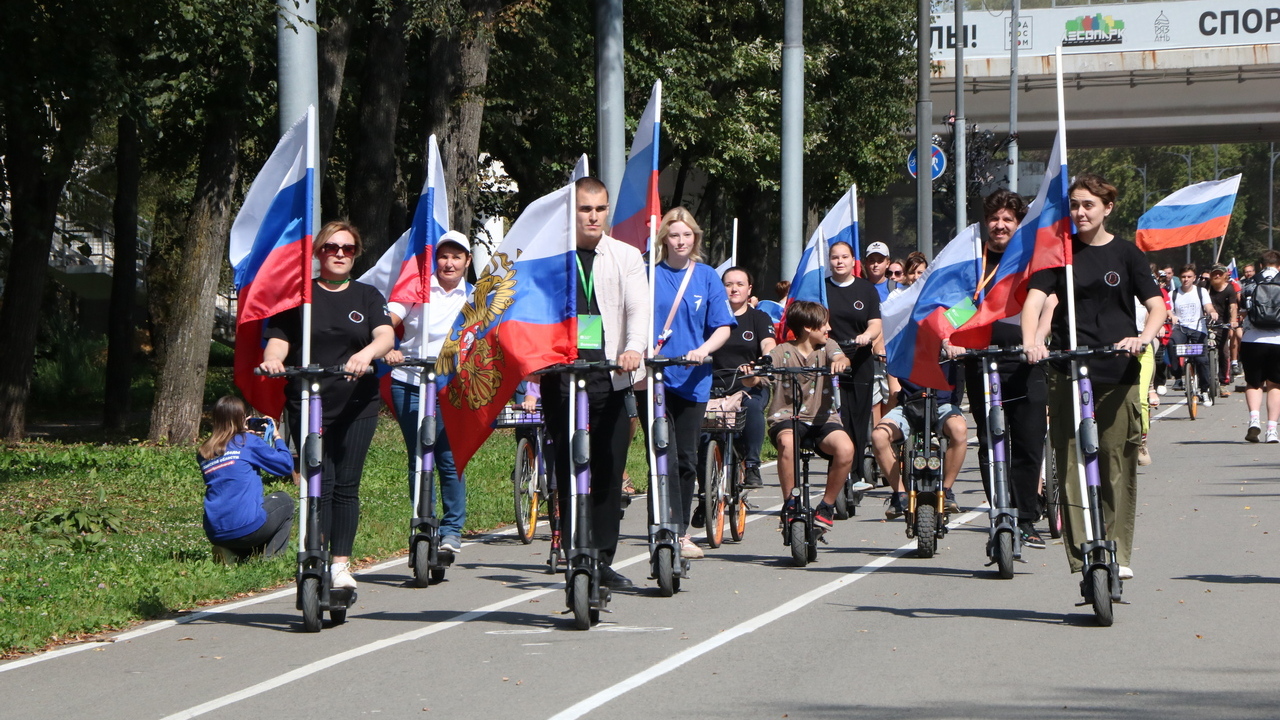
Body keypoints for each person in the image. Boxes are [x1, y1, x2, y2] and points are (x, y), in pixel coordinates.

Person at [1022, 173, 1166, 581]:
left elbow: (1156, 307)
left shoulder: (1127, 254)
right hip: (1068, 369)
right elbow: (1033, 303)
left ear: (1107, 208)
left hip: (1117, 369)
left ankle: (1117, 550)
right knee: (1069, 465)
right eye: (1075, 204)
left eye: (1089, 204)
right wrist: (1033, 341)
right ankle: (1084, 551)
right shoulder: (1058, 251)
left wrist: (1141, 338)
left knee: (1114, 462)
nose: (1080, 212)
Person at [260, 220, 395, 590]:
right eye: (331, 247)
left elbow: (385, 334)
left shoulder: (367, 295)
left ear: (355, 254)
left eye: (347, 249)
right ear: (318, 252)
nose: (339, 254)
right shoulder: (299, 294)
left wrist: (366, 354)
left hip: (356, 403)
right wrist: (274, 360)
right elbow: (279, 338)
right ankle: (314, 552)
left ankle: (340, 565)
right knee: (320, 483)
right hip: (308, 401)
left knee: (346, 486)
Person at [540, 177, 649, 590]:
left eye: (600, 209)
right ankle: (576, 553)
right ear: (573, 212)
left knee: (608, 470)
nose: (592, 216)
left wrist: (634, 348)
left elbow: (639, 307)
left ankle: (602, 558)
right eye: (585, 209)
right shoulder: (554, 257)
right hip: (563, 379)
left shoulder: (624, 256)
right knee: (570, 470)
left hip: (612, 376)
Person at [947, 189, 1049, 546]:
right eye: (994, 219)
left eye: (1008, 219)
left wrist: (1036, 340)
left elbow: (1049, 303)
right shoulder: (975, 259)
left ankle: (1025, 516)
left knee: (1028, 441)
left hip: (1026, 360)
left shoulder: (1030, 258)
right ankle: (1001, 513)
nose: (1000, 225)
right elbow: (958, 304)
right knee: (992, 440)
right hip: (983, 361)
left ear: (1018, 224)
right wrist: (952, 337)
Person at [650, 206, 735, 559]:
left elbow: (723, 326)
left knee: (685, 457)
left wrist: (702, 350)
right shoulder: (649, 274)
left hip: (692, 380)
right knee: (659, 456)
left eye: (687, 235)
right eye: (674, 234)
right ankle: (659, 526)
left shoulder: (706, 278)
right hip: (654, 378)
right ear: (664, 238)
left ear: (695, 238)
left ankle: (680, 531)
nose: (681, 240)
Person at [383, 230, 473, 554]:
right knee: (420, 455)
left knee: (449, 458)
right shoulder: (417, 288)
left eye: (456, 257)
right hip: (410, 379)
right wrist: (389, 346)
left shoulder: (475, 297)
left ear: (467, 261)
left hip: (453, 386)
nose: (449, 263)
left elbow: (488, 340)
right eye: (443, 256)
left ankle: (452, 530)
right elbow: (386, 322)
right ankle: (424, 520)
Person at [743, 301, 853, 531]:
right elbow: (760, 377)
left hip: (823, 418)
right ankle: (790, 503)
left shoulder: (827, 347)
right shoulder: (782, 351)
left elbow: (840, 357)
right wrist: (750, 375)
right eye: (824, 324)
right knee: (787, 441)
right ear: (808, 328)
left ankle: (826, 506)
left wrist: (842, 363)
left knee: (846, 449)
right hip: (787, 418)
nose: (829, 328)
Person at [197, 396, 295, 561]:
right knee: (285, 501)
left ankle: (233, 554)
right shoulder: (248, 442)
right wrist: (276, 437)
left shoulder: (204, 451)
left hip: (215, 532)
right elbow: (285, 466)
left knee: (246, 524)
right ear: (241, 418)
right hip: (246, 529)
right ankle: (271, 560)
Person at [711, 267, 777, 490]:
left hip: (749, 382)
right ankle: (704, 483)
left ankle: (751, 465)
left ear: (749, 289)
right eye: (728, 284)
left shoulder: (758, 317)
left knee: (752, 406)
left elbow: (768, 342)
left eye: (740, 284)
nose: (734, 289)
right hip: (714, 383)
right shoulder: (711, 316)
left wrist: (765, 359)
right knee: (701, 425)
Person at [826, 239, 883, 494]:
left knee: (859, 416)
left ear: (853, 261)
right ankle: (838, 467)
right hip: (831, 360)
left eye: (844, 257)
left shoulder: (866, 289)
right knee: (838, 415)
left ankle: (858, 470)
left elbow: (875, 323)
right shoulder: (822, 288)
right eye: (835, 257)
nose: (840, 261)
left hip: (860, 359)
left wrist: (867, 336)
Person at [1239, 250, 1280, 443]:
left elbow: (1243, 311)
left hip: (1252, 340)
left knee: (1254, 383)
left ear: (1261, 266)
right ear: (1279, 266)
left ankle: (1254, 419)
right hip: (1278, 340)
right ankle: (1272, 429)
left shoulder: (1249, 283)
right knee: (1275, 385)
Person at [1169, 263, 1218, 403]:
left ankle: (1204, 390)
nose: (1186, 279)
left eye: (1189, 276)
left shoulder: (1200, 291)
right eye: (1183, 276)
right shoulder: (1174, 293)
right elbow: (1168, 309)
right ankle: (1178, 378)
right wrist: (1171, 315)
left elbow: (1208, 306)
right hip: (1181, 327)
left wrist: (1212, 312)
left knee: (1201, 359)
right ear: (1180, 277)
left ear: (1194, 278)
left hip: (1197, 328)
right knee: (1172, 343)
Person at [1207, 265, 1238, 396]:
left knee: (1223, 353)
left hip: (1223, 324)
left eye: (1220, 273)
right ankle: (1203, 381)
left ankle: (1223, 383)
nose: (1217, 276)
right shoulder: (1206, 288)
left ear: (1225, 275)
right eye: (1215, 274)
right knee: (1202, 352)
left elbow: (1233, 306)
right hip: (1206, 323)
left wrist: (1233, 320)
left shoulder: (1229, 289)